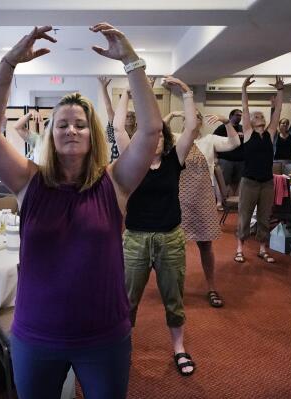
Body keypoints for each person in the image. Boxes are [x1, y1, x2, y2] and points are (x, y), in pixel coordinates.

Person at [0, 24, 162, 398]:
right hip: (37, 334)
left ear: (92, 133)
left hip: (103, 334)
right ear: (51, 134)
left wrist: (131, 61)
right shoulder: (30, 182)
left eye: (80, 124)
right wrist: (9, 63)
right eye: (63, 124)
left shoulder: (116, 181)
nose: (71, 130)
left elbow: (151, 131)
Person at [114, 75, 198, 376]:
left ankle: (179, 348)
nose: (156, 139)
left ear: (166, 139)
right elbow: (118, 127)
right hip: (135, 238)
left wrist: (186, 93)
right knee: (127, 300)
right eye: (151, 136)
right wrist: (127, 88)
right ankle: (123, 347)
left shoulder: (175, 159)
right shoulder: (132, 159)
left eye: (161, 135)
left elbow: (191, 128)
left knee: (173, 297)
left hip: (170, 238)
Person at [164, 108, 240, 308]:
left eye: (196, 116)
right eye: (188, 116)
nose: (192, 119)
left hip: (203, 198)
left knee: (206, 245)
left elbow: (235, 143)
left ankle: (212, 287)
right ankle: (175, 288)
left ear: (199, 121)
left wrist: (227, 123)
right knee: (176, 246)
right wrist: (171, 115)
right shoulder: (176, 138)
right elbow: (157, 131)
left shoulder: (209, 140)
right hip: (178, 198)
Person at [234, 75, 283, 264]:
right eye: (256, 116)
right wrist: (243, 89)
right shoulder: (247, 133)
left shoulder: (270, 134)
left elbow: (277, 111)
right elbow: (245, 109)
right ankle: (240, 248)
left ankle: (263, 249)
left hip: (267, 183)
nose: (258, 117)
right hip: (249, 182)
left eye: (261, 115)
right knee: (244, 216)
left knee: (264, 217)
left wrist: (280, 91)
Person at [213, 108, 243, 196]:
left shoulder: (242, 128)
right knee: (224, 182)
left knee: (237, 182)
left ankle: (232, 200)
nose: (239, 117)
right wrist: (215, 157)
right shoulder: (222, 127)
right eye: (237, 115)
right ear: (231, 116)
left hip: (240, 160)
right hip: (226, 160)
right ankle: (223, 201)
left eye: (240, 116)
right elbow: (213, 141)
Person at [273, 100, 291, 174]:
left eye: (287, 123)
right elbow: (273, 121)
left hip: (289, 162)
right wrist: (273, 108)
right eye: (283, 123)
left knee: (288, 181)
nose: (285, 124)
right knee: (277, 182)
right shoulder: (275, 135)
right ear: (279, 124)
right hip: (276, 162)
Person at [98, 75, 119, 163]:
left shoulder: (137, 131)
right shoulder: (117, 128)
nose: (130, 118)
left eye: (132, 116)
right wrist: (103, 88)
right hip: (116, 167)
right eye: (127, 116)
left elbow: (145, 110)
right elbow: (108, 107)